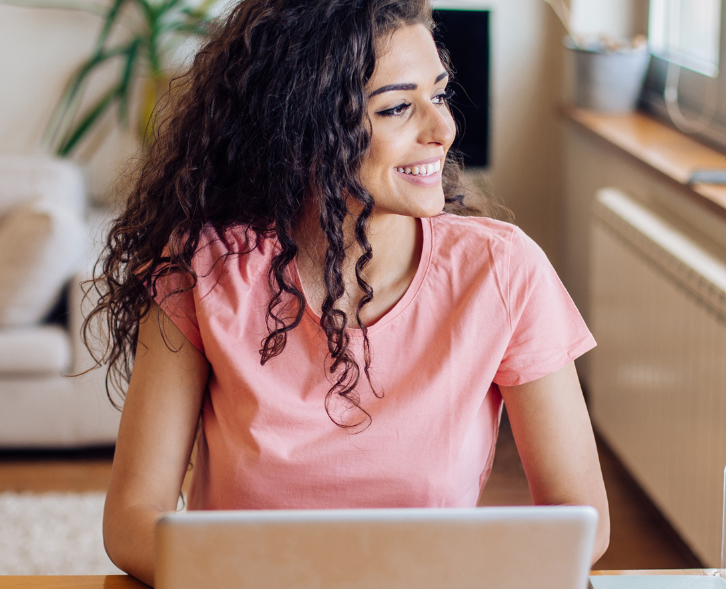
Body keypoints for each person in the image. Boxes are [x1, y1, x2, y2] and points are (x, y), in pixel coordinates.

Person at [87, 0, 610, 583]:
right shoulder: (207, 267)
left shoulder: (503, 271)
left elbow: (581, 521)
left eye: (438, 95)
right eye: (396, 108)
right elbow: (132, 519)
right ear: (304, 124)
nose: (443, 129)